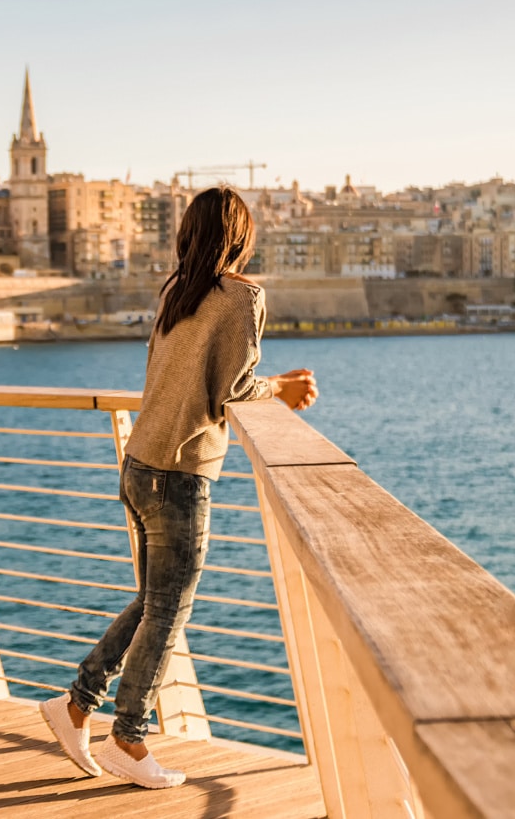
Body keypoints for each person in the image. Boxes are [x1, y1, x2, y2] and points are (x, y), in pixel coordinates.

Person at [39, 186, 318, 789]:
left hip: (138, 462)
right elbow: (233, 389)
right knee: (169, 607)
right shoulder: (244, 296)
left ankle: (76, 705)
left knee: (151, 601)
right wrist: (284, 390)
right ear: (240, 236)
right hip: (180, 472)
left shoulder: (176, 291)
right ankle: (128, 739)